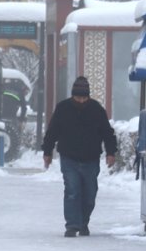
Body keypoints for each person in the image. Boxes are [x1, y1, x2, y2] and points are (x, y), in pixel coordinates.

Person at [42, 76, 118, 237]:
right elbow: (52, 131)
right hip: (69, 157)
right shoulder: (63, 108)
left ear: (88, 96)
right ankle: (72, 225)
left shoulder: (97, 109)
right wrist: (47, 151)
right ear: (73, 95)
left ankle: (83, 222)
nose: (81, 101)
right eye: (78, 97)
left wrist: (111, 152)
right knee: (72, 190)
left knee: (90, 194)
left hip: (91, 158)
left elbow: (107, 132)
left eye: (84, 97)